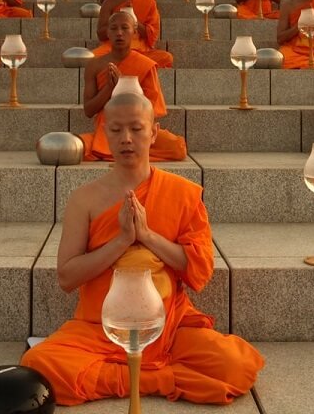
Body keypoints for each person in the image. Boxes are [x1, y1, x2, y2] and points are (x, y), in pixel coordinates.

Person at [22, 94, 264, 405]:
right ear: (104, 133)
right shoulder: (84, 199)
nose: (126, 139)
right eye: (116, 130)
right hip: (100, 328)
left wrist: (147, 236)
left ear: (153, 132)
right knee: (39, 365)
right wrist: (121, 240)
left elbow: (199, 270)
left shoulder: (183, 194)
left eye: (136, 129)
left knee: (236, 365)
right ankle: (157, 380)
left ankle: (123, 377)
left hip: (168, 325)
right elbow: (67, 277)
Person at [80, 11, 186, 161]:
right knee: (75, 146)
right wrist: (110, 88)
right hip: (110, 126)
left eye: (124, 28)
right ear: (107, 33)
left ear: (134, 32)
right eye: (114, 29)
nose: (119, 33)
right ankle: (119, 149)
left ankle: (113, 150)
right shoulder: (94, 65)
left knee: (177, 148)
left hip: (137, 127)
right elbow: (89, 110)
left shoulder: (145, 65)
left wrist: (124, 96)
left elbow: (151, 109)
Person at [93, 0, 173, 68]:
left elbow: (152, 36)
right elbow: (101, 34)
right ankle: (130, 65)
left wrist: (134, 22)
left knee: (166, 58)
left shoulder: (149, 1)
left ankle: (125, 65)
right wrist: (116, 25)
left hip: (139, 50)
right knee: (93, 57)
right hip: (114, 49)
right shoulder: (109, 3)